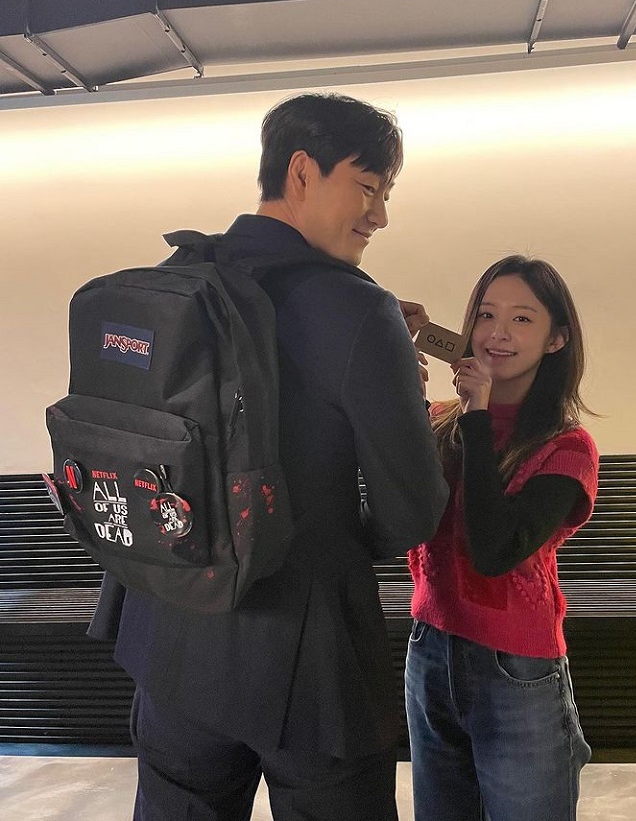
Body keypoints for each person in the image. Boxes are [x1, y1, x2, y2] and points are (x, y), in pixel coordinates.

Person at [90, 92, 449, 821]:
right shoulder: (357, 307)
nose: (379, 215)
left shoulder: (179, 276)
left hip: (168, 632)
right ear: (303, 171)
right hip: (308, 657)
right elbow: (411, 512)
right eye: (369, 188)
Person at [405, 255, 599, 821]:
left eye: (521, 319)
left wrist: (478, 414)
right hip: (429, 650)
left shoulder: (567, 447)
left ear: (557, 339)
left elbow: (493, 551)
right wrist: (392, 365)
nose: (497, 333)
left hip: (518, 669)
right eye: (487, 314)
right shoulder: (441, 421)